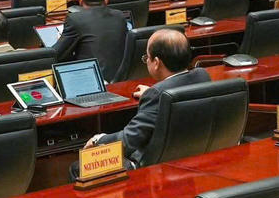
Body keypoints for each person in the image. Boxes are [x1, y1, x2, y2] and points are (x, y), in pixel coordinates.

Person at [82, 29, 212, 168]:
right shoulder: (202, 76)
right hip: (193, 158)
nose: (146, 61)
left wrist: (98, 139)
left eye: (147, 58)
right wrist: (154, 93)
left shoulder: (157, 94)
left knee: (80, 166)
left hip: (149, 167)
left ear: (156, 62)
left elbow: (129, 141)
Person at [52, 0, 129, 76]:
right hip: (121, 76)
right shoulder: (120, 16)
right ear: (106, 0)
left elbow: (56, 55)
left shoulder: (75, 19)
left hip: (91, 78)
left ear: (80, 0)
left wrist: (61, 39)